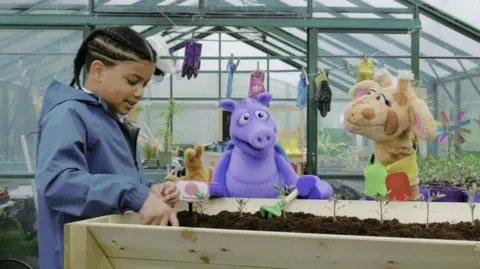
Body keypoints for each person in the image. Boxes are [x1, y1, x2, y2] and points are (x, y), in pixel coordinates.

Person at [34, 26, 180, 269]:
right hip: (76, 258)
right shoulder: (69, 115)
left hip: (106, 254)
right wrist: (134, 195)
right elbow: (57, 183)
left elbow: (109, 180)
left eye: (144, 84)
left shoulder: (109, 119)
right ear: (98, 70)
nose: (140, 92)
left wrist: (150, 190)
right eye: (132, 81)